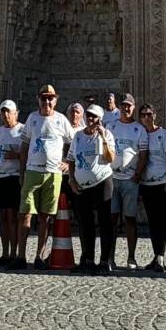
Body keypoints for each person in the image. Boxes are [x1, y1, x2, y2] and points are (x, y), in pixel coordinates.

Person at [14, 84, 74, 270]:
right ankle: (20, 256)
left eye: (50, 98)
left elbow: (74, 142)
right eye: (44, 98)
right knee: (25, 214)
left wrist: (68, 163)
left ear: (56, 100)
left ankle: (40, 256)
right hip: (32, 171)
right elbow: (24, 147)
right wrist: (22, 172)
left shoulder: (61, 120)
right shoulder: (32, 119)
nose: (47, 101)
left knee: (45, 217)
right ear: (38, 99)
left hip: (53, 174)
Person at [67, 104, 115, 275]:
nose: (90, 119)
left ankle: (105, 260)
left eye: (94, 117)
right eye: (88, 115)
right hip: (82, 186)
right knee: (85, 223)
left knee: (104, 221)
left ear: (100, 119)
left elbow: (110, 158)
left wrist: (103, 139)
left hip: (102, 181)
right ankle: (87, 259)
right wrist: (71, 179)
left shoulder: (107, 134)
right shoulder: (78, 136)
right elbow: (71, 159)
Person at [106, 92, 148, 270]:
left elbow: (144, 154)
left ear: (133, 107)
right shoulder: (110, 126)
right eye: (123, 105)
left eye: (128, 105)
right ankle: (109, 257)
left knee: (130, 219)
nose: (125, 108)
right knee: (112, 219)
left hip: (130, 180)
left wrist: (137, 174)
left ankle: (131, 257)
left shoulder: (139, 129)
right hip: (112, 178)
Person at [138, 102, 166, 272]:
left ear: (155, 115)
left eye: (149, 114)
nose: (147, 117)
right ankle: (155, 255)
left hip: (161, 182)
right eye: (143, 115)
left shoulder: (163, 133)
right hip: (146, 183)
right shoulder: (139, 133)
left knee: (161, 220)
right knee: (152, 221)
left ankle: (161, 255)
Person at [0, 100, 23, 266]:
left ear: (15, 113)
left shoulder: (23, 130)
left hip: (14, 176)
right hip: (0, 176)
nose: (5, 115)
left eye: (8, 112)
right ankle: (4, 253)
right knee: (3, 216)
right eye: (3, 112)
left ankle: (14, 252)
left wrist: (17, 156)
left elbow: (28, 154)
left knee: (13, 216)